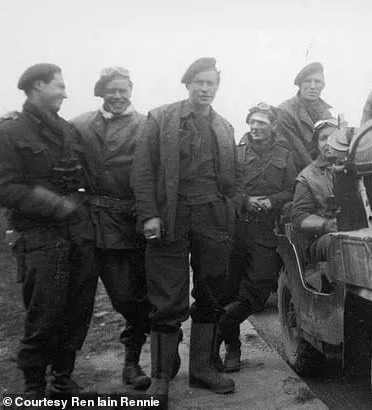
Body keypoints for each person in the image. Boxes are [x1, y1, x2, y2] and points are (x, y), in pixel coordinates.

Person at [132, 57, 243, 397]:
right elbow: (142, 171)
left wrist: (231, 207)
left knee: (211, 293)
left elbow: (236, 176)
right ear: (187, 84)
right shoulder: (160, 119)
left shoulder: (224, 127)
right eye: (199, 83)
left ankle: (203, 370)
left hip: (213, 217)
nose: (205, 89)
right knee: (167, 298)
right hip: (172, 217)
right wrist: (150, 214)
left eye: (211, 83)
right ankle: (161, 378)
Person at [0, 64, 97, 396]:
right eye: (59, 85)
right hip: (39, 236)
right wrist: (54, 205)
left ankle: (63, 377)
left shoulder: (67, 130)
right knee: (45, 310)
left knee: (78, 306)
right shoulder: (9, 131)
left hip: (76, 233)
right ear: (37, 86)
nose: (66, 93)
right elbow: (5, 188)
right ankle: (34, 385)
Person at [71, 67, 151, 390]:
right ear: (101, 92)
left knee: (135, 297)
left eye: (123, 90)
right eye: (111, 90)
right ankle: (60, 372)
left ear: (131, 91)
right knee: (91, 298)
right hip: (91, 223)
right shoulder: (79, 125)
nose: (117, 96)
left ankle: (132, 363)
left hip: (130, 224)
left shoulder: (147, 125)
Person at [220, 102, 297, 372]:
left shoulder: (285, 155)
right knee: (228, 289)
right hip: (236, 228)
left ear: (273, 126)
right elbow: (226, 188)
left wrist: (271, 201)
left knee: (260, 286)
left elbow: (292, 190)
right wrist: (246, 200)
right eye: (252, 122)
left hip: (266, 229)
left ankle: (223, 326)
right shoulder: (236, 154)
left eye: (262, 122)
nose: (255, 127)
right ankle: (232, 348)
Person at [291, 120, 349, 263]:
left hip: (358, 231)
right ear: (317, 144)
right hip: (324, 239)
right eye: (323, 138)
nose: (329, 143)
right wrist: (327, 225)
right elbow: (299, 217)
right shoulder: (307, 177)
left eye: (335, 136)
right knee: (340, 243)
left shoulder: (357, 166)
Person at [277, 62, 336, 171]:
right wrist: (320, 176)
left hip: (321, 171)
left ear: (323, 85)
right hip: (299, 174)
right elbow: (299, 154)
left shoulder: (327, 113)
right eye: (308, 81)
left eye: (317, 81)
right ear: (300, 84)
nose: (312, 86)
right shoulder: (285, 111)